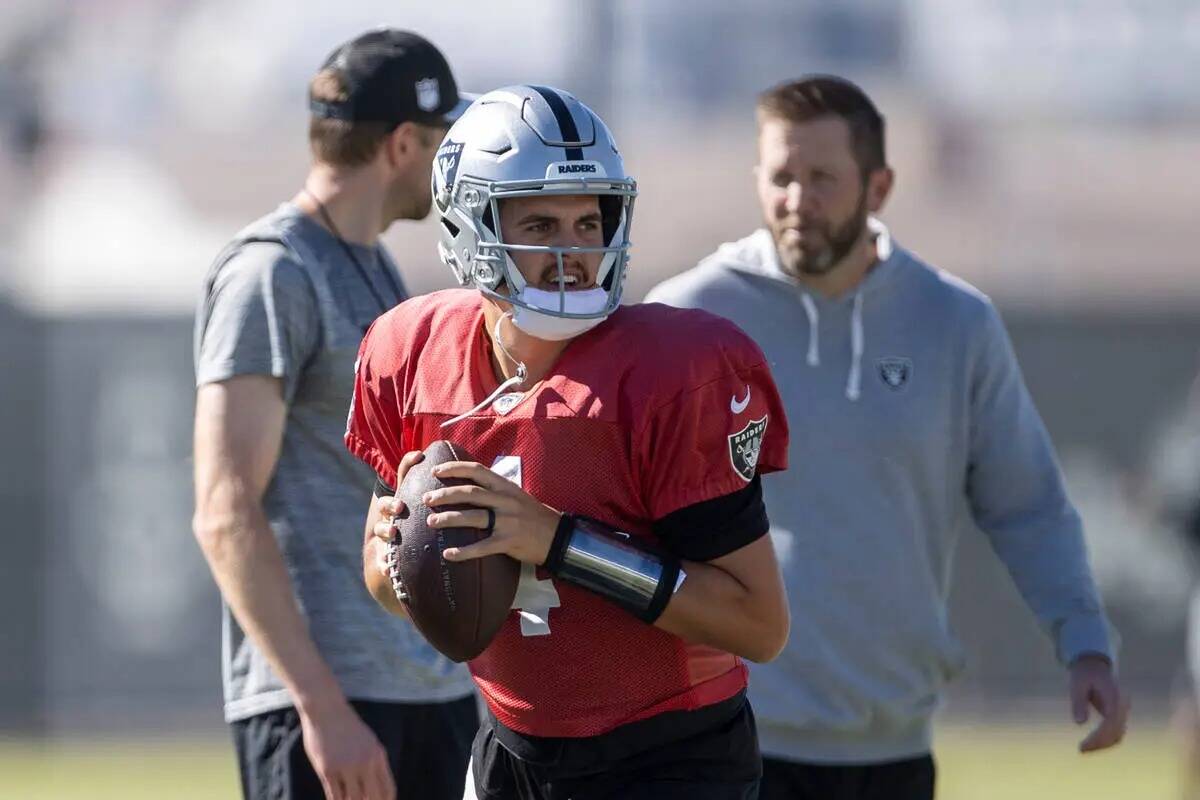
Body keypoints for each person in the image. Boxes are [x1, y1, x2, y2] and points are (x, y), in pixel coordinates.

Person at [645, 75, 1130, 800]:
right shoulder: (685, 321)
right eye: (781, 176)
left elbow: (1027, 505)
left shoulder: (956, 324)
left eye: (822, 178)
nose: (797, 200)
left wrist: (1086, 644)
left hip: (894, 748)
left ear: (880, 187)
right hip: (723, 737)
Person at [346, 84, 791, 800]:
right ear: (469, 224)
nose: (574, 251)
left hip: (669, 758)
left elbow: (759, 623)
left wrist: (558, 542)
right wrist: (404, 546)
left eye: (590, 221)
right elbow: (381, 579)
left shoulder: (672, 372)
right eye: (542, 222)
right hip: (507, 748)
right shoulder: (411, 350)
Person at [192, 29, 479, 800]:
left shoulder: (376, 264)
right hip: (332, 714)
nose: (455, 163)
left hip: (424, 694)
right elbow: (224, 513)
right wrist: (323, 711)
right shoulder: (272, 272)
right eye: (444, 139)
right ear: (402, 144)